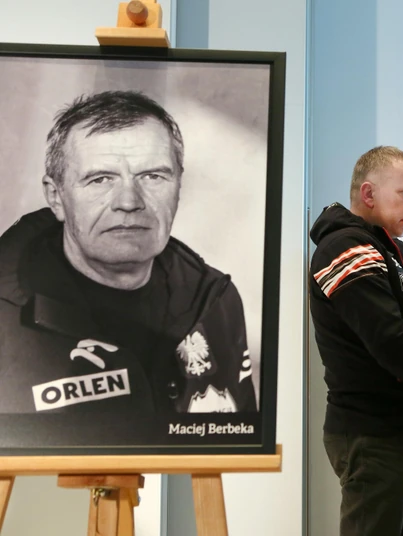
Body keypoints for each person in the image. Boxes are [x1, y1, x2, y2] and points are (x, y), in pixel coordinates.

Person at [0, 90, 256, 414]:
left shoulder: (214, 302)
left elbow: (237, 437)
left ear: (179, 188)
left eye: (153, 176)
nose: (129, 201)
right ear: (56, 197)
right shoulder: (6, 318)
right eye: (100, 179)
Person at [309, 146, 403, 536]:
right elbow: (391, 337)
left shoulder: (387, 253)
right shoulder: (345, 247)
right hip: (374, 435)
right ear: (369, 194)